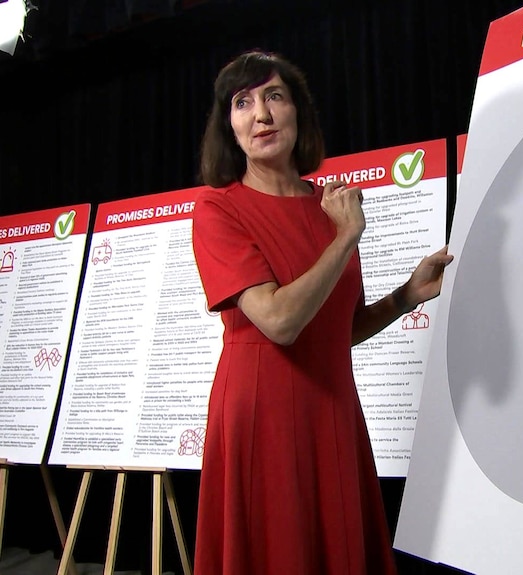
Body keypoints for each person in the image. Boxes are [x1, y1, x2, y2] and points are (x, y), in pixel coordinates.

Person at [190, 49, 453, 575]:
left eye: (274, 96)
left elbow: (338, 331)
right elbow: (280, 322)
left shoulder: (329, 206)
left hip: (331, 403)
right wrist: (347, 236)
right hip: (261, 411)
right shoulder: (218, 209)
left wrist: (405, 296)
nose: (260, 114)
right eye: (243, 103)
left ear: (298, 113)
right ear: (230, 127)